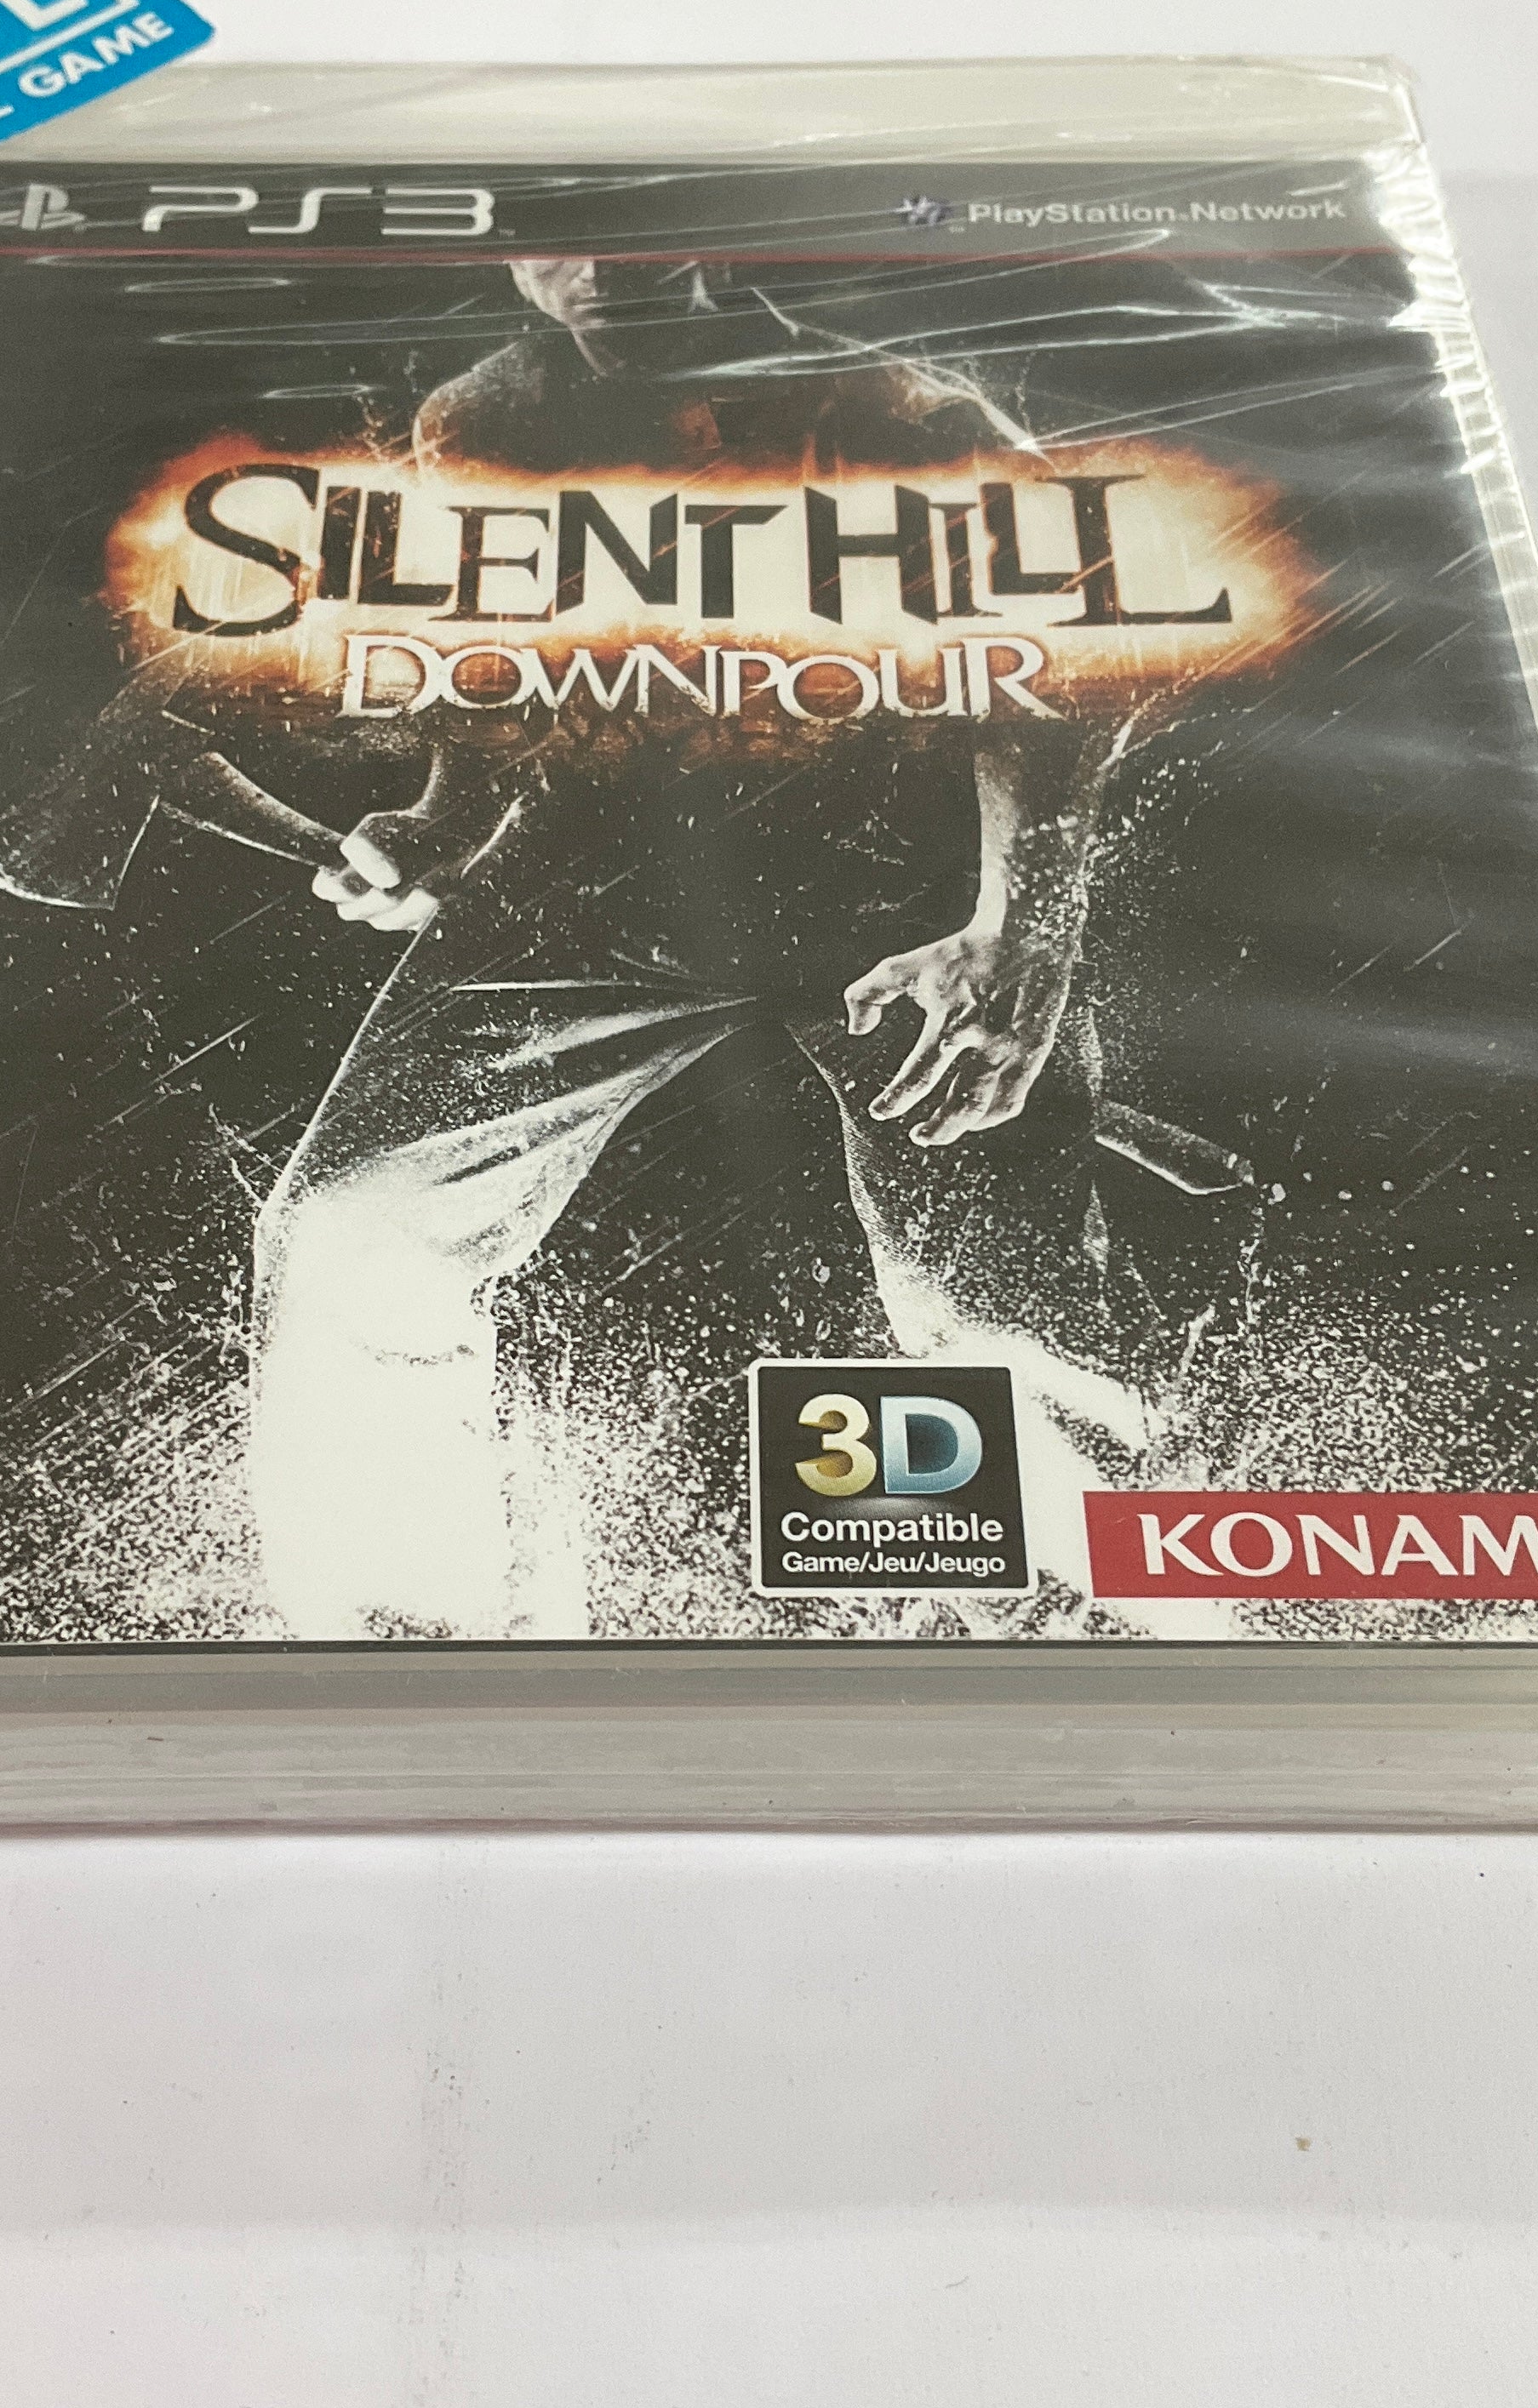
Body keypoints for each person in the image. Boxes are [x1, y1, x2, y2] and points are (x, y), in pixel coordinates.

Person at [173, 256, 1238, 1636]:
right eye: (562, 240)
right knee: (352, 1234)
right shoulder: (485, 417)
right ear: (519, 260)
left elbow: (1074, 653)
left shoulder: (896, 411)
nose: (597, 274)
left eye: (635, 234)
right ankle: (405, 1629)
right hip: (593, 881)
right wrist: (449, 819)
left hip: (894, 894)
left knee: (994, 1313)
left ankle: (1121, 1620)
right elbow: (508, 645)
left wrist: (1018, 935)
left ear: (709, 245)